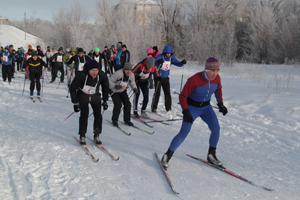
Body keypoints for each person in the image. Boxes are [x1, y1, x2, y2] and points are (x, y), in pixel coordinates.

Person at [160, 57, 228, 169]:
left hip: (206, 107)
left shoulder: (217, 79)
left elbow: (218, 90)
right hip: (192, 108)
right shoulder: (194, 79)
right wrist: (186, 111)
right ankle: (167, 155)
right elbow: (182, 96)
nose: (214, 74)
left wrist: (220, 103)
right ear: (206, 69)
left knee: (216, 128)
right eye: (212, 71)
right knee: (183, 133)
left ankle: (211, 155)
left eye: (216, 71)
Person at [70, 60, 109, 145]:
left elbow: (106, 88)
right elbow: (72, 88)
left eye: (96, 70)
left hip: (95, 95)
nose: (95, 73)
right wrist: (75, 103)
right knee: (84, 114)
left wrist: (105, 100)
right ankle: (82, 135)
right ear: (88, 70)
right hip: (83, 95)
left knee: (98, 115)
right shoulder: (81, 75)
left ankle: (97, 134)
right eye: (92, 71)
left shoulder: (101, 75)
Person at [151, 45, 187, 113]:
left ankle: (168, 108)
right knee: (157, 93)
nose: (168, 55)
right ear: (164, 53)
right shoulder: (160, 56)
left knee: (167, 93)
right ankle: (154, 108)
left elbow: (177, 63)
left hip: (166, 78)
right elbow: (155, 62)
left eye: (169, 54)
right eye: (167, 53)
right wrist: (159, 62)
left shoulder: (171, 58)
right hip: (158, 77)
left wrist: (182, 63)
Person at [109, 62, 138, 127]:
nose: (128, 71)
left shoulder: (131, 75)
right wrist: (115, 86)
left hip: (122, 91)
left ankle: (127, 120)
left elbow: (132, 83)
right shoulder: (118, 73)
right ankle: (115, 120)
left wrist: (135, 88)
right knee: (118, 104)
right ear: (124, 69)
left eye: (130, 70)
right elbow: (109, 81)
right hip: (114, 91)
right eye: (127, 70)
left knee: (128, 104)